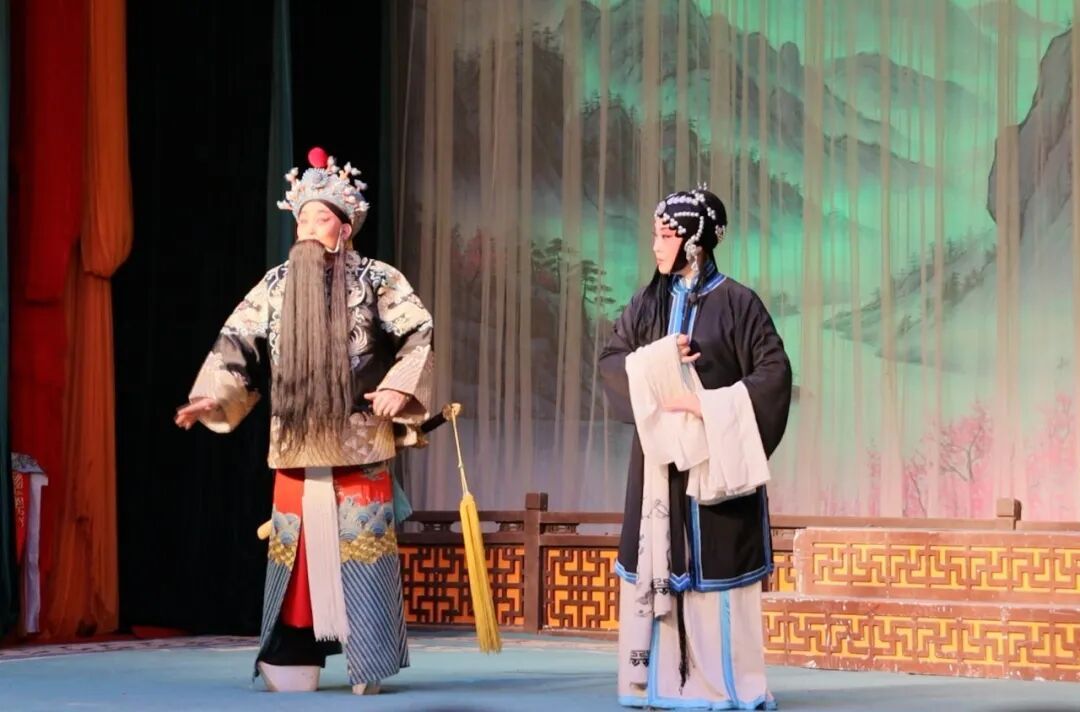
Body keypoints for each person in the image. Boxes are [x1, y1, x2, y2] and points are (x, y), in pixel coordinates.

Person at [174, 147, 433, 695]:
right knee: (296, 555)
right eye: (302, 221)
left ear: (345, 228)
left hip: (359, 439)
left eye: (320, 219)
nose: (308, 230)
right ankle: (293, 654)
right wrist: (211, 397)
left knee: (362, 551)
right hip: (295, 440)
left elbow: (417, 332)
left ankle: (368, 659)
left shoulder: (377, 279)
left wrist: (398, 385)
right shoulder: (274, 285)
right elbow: (237, 342)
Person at [599, 187, 792, 710]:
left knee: (716, 570)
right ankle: (655, 685)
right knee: (659, 559)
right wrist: (656, 361)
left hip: (714, 465)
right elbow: (612, 361)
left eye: (665, 236)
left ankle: (726, 686)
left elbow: (774, 375)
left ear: (694, 243)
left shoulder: (738, 303)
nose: (655, 246)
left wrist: (708, 405)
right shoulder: (647, 303)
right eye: (655, 235)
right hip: (659, 467)